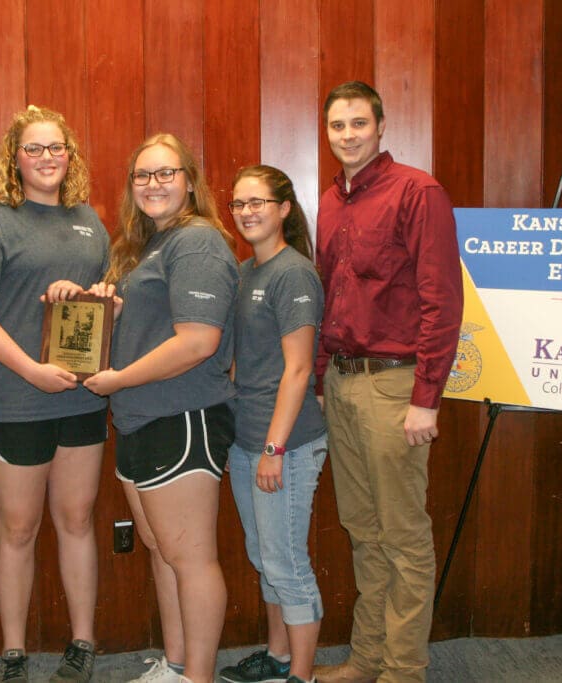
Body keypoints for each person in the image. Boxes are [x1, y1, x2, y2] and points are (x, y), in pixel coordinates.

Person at [310, 82, 463, 683]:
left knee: (401, 535)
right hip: (344, 385)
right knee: (362, 531)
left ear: (380, 126)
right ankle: (367, 659)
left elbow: (441, 303)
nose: (347, 135)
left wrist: (426, 399)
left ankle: (403, 670)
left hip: (396, 388)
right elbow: (330, 297)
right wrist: (323, 379)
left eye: (357, 124)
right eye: (337, 126)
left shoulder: (418, 192)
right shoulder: (330, 200)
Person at [0, 106, 109, 683]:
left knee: (78, 519)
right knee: (17, 528)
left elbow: (103, 303)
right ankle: (13, 652)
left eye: (56, 147)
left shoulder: (90, 219)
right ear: (14, 158)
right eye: (34, 148)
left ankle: (82, 642)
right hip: (15, 399)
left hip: (82, 398)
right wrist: (29, 370)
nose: (47, 158)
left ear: (70, 155)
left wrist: (100, 298)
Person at [83, 133, 238, 683]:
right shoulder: (147, 244)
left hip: (182, 415)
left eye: (165, 173)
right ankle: (175, 667)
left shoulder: (194, 242)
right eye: (142, 175)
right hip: (141, 415)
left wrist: (119, 377)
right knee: (163, 550)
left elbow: (198, 340)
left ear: (190, 180)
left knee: (190, 557)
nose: (153, 184)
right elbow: (153, 325)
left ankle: (197, 677)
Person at [217, 166, 327, 683]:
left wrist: (274, 449)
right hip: (246, 438)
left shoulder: (293, 272)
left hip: (285, 443)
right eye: (239, 204)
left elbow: (300, 368)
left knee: (286, 562)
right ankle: (278, 656)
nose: (247, 212)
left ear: (284, 208)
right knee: (264, 556)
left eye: (258, 202)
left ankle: (301, 674)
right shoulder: (244, 272)